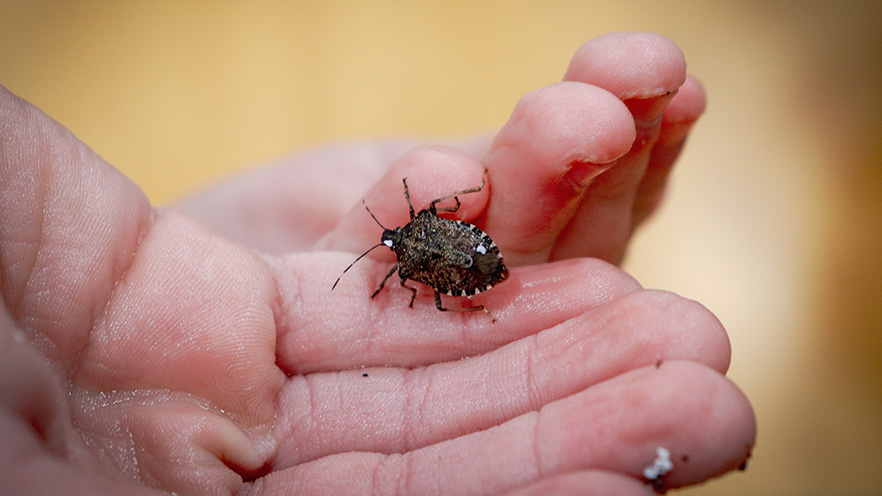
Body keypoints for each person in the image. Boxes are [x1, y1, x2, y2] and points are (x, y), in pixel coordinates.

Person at [0, 32, 755, 495]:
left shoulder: (412, 250)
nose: (393, 250)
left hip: (471, 261)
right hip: (472, 260)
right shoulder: (414, 245)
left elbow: (433, 246)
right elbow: (437, 242)